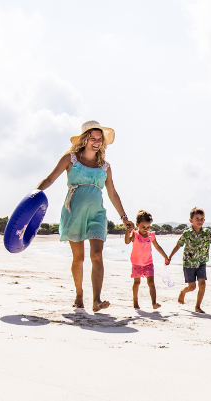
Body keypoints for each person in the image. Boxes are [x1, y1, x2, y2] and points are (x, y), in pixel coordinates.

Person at [36, 120, 133, 312]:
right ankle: (79, 294)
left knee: (97, 255)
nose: (97, 142)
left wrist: (124, 218)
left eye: (99, 139)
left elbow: (112, 193)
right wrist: (33, 195)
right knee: (79, 258)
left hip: (97, 214)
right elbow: (50, 178)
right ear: (85, 140)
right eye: (93, 138)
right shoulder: (70, 159)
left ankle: (96, 300)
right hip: (74, 213)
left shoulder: (105, 166)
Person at [167, 207, 211, 314]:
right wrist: (170, 257)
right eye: (197, 219)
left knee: (202, 284)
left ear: (204, 220)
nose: (200, 221)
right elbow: (178, 245)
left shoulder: (206, 232)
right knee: (192, 287)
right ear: (191, 220)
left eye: (201, 219)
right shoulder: (187, 233)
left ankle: (197, 306)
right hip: (189, 264)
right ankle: (183, 292)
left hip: (201, 263)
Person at [124, 210, 170, 309]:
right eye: (143, 227)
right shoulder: (135, 234)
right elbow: (127, 242)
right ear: (137, 225)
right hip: (137, 264)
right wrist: (127, 231)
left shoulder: (151, 236)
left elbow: (157, 247)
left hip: (148, 263)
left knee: (151, 283)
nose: (146, 229)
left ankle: (154, 303)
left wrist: (165, 256)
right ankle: (135, 301)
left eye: (148, 227)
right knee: (137, 283)